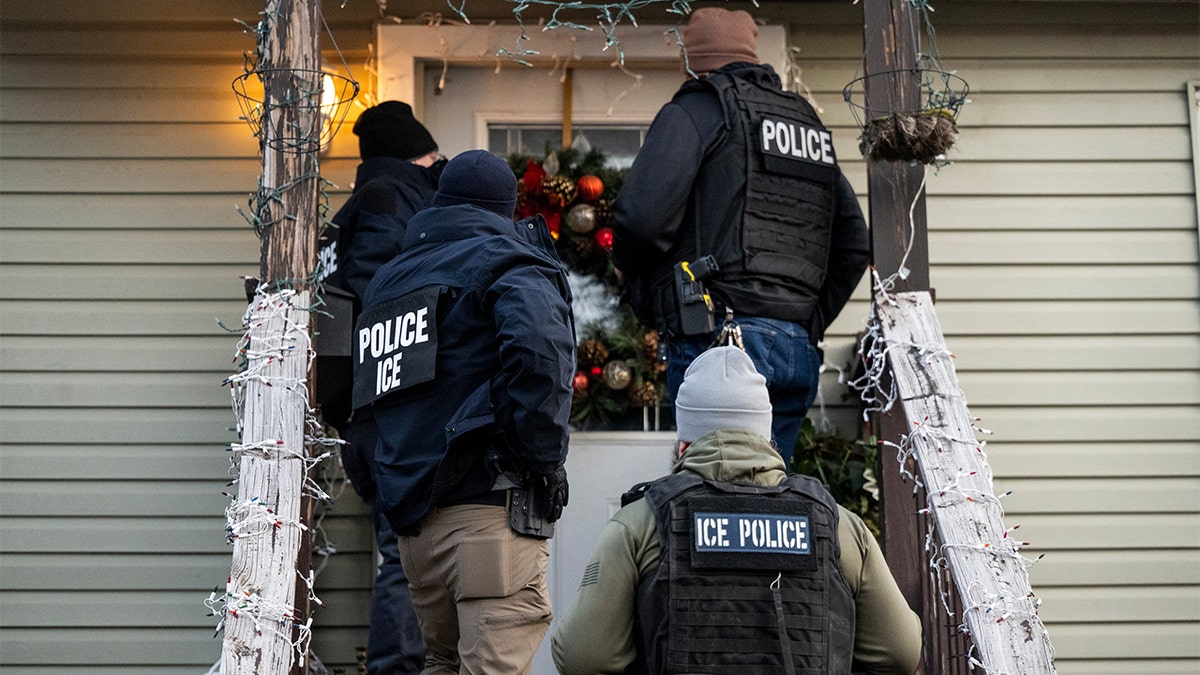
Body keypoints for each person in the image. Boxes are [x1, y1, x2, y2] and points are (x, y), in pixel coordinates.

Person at [550, 346, 921, 674]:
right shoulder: (840, 527)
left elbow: (583, 657)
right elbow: (901, 653)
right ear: (766, 438)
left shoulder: (639, 524)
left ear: (683, 445)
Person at [611, 7, 870, 468]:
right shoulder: (805, 123)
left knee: (714, 507)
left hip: (716, 344)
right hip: (795, 349)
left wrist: (637, 288)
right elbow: (853, 245)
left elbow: (640, 222)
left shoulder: (698, 108)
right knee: (769, 505)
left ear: (692, 60)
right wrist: (803, 322)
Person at [357, 149, 576, 674]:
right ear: (505, 208)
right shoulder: (506, 261)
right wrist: (541, 461)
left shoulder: (390, 281)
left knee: (441, 663)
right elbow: (541, 352)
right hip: (486, 516)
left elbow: (369, 404)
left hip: (416, 533)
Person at [315, 100, 444, 675]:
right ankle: (395, 668)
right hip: (388, 406)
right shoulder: (393, 201)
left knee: (407, 547)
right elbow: (381, 294)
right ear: (413, 155)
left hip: (363, 408)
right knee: (406, 551)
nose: (439, 166)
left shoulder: (361, 204)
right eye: (432, 156)